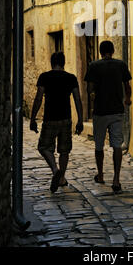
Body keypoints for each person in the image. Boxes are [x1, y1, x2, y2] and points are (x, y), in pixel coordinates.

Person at [30, 51, 84, 193]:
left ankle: (55, 170)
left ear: (51, 62)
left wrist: (32, 118)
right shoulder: (71, 78)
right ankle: (61, 178)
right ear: (63, 62)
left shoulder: (44, 77)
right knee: (64, 150)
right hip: (66, 119)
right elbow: (77, 99)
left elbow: (38, 98)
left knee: (44, 147)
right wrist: (80, 119)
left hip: (50, 119)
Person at [84, 40, 132, 193]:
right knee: (116, 145)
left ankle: (100, 174)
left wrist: (94, 92)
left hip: (100, 111)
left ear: (100, 51)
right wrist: (127, 99)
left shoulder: (94, 66)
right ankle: (116, 179)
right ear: (112, 51)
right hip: (117, 110)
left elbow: (89, 88)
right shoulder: (121, 65)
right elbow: (127, 85)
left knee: (99, 145)